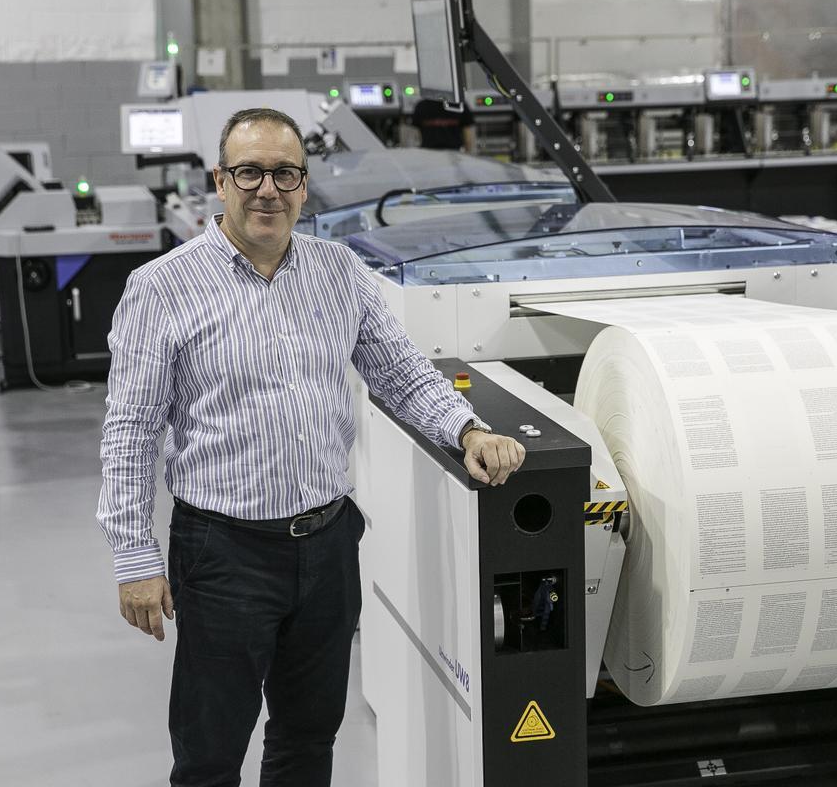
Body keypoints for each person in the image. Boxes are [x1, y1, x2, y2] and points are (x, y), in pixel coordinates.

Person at [97, 107, 526, 787]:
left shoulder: (339, 271)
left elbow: (402, 373)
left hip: (326, 549)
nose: (268, 189)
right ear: (220, 181)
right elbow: (131, 430)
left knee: (306, 740)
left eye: (285, 173)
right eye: (250, 172)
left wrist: (468, 429)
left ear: (304, 184)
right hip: (223, 555)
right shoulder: (162, 288)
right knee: (209, 755)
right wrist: (134, 556)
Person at [410, 97, 477, 153]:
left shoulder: (422, 106)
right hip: (453, 152)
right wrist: (468, 152)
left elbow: (416, 135)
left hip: (429, 152)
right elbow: (467, 135)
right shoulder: (459, 105)